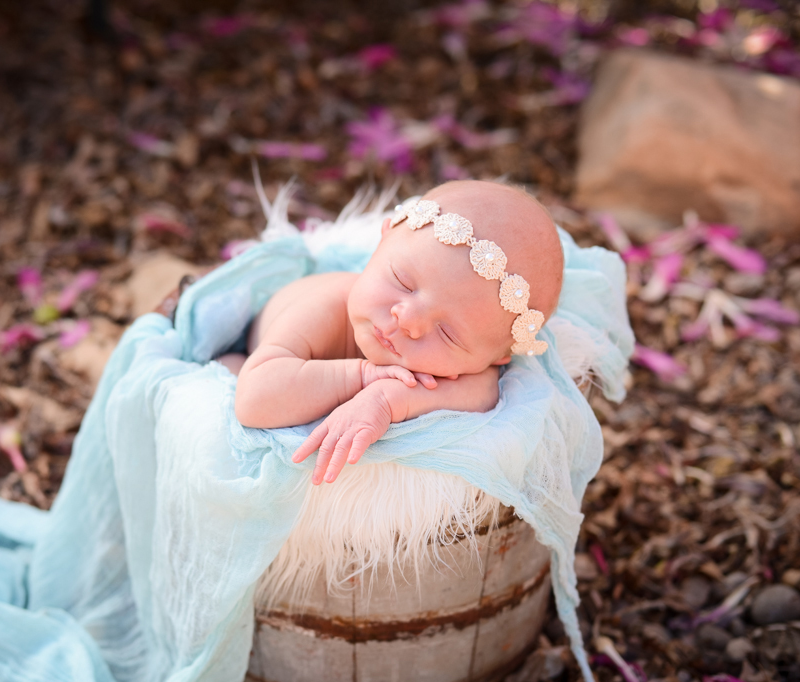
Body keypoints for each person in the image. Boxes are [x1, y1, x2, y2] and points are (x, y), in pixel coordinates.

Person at [220, 180, 564, 485]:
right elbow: (254, 401)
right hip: (254, 351)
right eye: (403, 282)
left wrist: (388, 399)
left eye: (447, 334)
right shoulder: (327, 305)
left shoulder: (472, 364)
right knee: (226, 371)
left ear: (494, 357)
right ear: (381, 242)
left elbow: (485, 388)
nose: (407, 320)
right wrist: (364, 376)